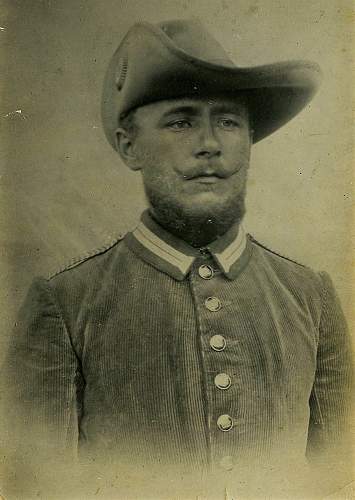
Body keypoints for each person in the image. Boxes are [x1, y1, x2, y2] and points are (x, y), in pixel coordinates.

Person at [2, 19, 353, 499]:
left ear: (249, 140)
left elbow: (337, 482)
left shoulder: (309, 298)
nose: (209, 144)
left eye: (228, 120)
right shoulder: (65, 304)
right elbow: (36, 488)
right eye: (181, 121)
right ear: (130, 147)